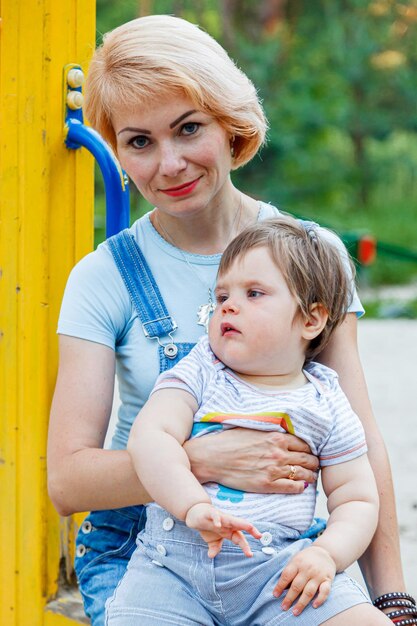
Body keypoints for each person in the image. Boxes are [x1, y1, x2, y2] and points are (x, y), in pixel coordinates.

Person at [46, 13, 411, 626]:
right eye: (139, 141)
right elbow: (69, 481)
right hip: (147, 557)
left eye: (189, 129)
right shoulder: (103, 278)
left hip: (283, 555)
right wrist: (204, 459)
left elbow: (361, 445)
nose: (169, 164)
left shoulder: (313, 256)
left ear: (230, 123)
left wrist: (393, 599)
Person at [106, 215, 390, 625]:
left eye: (254, 293)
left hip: (280, 574)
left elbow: (357, 498)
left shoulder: (326, 399)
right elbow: (150, 436)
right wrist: (192, 504)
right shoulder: (199, 369)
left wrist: (327, 553)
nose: (230, 306)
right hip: (173, 570)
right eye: (221, 297)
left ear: (311, 320)